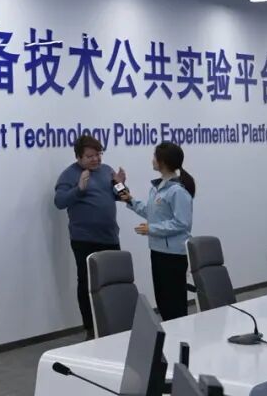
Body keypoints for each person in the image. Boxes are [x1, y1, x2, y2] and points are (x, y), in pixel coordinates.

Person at [115, 142, 195, 321]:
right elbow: (151, 213)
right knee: (163, 301)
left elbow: (182, 223)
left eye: (154, 157)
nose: (152, 160)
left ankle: (180, 335)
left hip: (174, 255)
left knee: (174, 303)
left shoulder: (178, 191)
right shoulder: (157, 188)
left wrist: (152, 229)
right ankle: (169, 334)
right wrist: (129, 199)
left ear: (163, 162)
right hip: (158, 251)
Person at [54, 134, 122, 340]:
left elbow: (119, 195)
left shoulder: (107, 171)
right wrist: (79, 189)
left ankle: (115, 325)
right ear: (79, 157)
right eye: (90, 156)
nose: (96, 159)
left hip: (110, 237)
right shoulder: (69, 175)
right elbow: (59, 202)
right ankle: (91, 328)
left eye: (98, 154)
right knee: (88, 284)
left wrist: (121, 185)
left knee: (114, 283)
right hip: (84, 239)